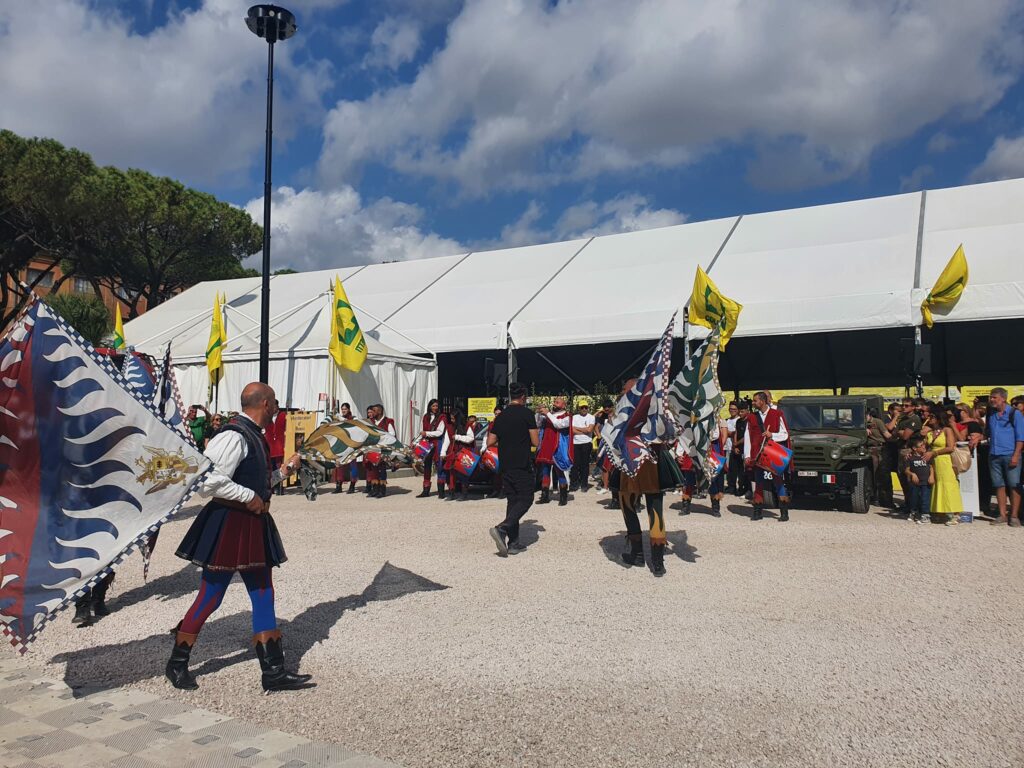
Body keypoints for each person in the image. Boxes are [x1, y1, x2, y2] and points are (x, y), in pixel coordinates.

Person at [167, 383, 312, 692]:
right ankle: (177, 663)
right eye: (273, 402)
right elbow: (206, 480)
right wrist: (248, 496)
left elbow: (257, 482)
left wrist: (284, 471)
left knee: (263, 593)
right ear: (262, 403)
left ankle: (273, 672)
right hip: (229, 525)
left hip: (253, 525)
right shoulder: (233, 436)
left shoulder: (254, 437)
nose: (276, 408)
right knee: (210, 597)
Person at [489, 384, 539, 556]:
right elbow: (535, 442)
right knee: (526, 498)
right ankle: (502, 528)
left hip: (505, 464)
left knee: (512, 500)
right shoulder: (527, 414)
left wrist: (506, 443)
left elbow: (490, 441)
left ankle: (514, 543)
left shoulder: (501, 416)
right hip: (522, 462)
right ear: (523, 396)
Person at [744, 391, 791, 521]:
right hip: (757, 454)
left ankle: (784, 513)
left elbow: (785, 434)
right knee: (758, 482)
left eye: (755, 401)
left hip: (772, 453)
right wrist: (747, 454)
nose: (753, 403)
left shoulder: (777, 414)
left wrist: (772, 435)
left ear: (763, 401)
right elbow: (748, 436)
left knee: (778, 482)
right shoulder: (752, 417)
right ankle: (757, 511)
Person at [986, 387, 1024, 526]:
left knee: (1014, 485)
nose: (991, 400)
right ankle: (1002, 515)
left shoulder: (1015, 414)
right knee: (998, 485)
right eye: (991, 397)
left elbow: (1021, 437)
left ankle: (1014, 516)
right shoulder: (992, 414)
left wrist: (1016, 455)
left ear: (1003, 398)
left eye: (994, 397)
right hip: (994, 454)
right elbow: (988, 433)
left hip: (1010, 454)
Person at [923, 405, 962, 525]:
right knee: (936, 486)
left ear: (939, 418)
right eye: (929, 416)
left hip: (945, 460)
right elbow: (925, 446)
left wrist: (935, 452)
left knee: (949, 485)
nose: (930, 418)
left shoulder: (947, 430)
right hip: (933, 462)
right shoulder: (930, 432)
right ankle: (940, 512)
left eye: (932, 416)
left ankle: (955, 514)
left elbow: (950, 447)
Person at [535, 396, 574, 506]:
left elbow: (559, 424)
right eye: (554, 402)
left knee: (559, 471)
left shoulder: (567, 416)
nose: (555, 403)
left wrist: (547, 413)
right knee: (545, 471)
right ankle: (545, 496)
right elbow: (538, 424)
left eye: (557, 402)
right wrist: (539, 412)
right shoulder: (549, 415)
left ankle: (563, 497)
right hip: (546, 446)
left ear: (563, 405)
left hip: (558, 447)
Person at [894, 397, 924, 515]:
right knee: (902, 477)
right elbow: (895, 432)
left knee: (909, 478)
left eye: (907, 405)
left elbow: (905, 435)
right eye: (903, 405)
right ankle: (908, 503)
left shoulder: (914, 419)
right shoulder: (903, 419)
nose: (904, 407)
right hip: (901, 449)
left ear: (913, 407)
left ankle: (914, 505)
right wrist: (899, 432)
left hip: (908, 450)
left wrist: (900, 432)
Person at [418, 399, 452, 498]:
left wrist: (427, 433)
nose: (435, 408)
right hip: (427, 443)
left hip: (437, 442)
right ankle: (426, 490)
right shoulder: (425, 417)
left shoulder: (442, 417)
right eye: (433, 406)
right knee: (427, 465)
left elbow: (440, 432)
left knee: (439, 466)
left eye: (437, 406)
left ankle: (441, 492)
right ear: (430, 407)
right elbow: (422, 430)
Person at [365, 404, 396, 498]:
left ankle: (382, 490)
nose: (372, 412)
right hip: (373, 448)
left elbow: (392, 434)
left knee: (381, 469)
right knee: (373, 468)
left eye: (374, 411)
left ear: (379, 411)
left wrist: (380, 435)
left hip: (383, 448)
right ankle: (375, 489)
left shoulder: (388, 421)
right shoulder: (371, 422)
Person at [446, 410, 477, 501]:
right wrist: (443, 452)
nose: (451, 420)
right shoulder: (451, 426)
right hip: (454, 452)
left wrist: (458, 437)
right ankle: (452, 492)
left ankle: (464, 493)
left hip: (464, 452)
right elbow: (447, 440)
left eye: (453, 418)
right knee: (452, 473)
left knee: (463, 472)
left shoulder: (467, 426)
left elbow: (471, 438)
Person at [904, 435, 934, 524]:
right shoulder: (910, 458)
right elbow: (906, 470)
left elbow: (931, 467)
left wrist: (932, 476)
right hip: (915, 483)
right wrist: (912, 474)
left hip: (926, 482)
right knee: (914, 498)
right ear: (914, 448)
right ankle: (914, 512)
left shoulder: (927, 457)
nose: (924, 447)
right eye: (921, 446)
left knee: (925, 499)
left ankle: (925, 516)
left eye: (924, 445)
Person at [866, 407, 893, 507]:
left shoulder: (877, 422)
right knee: (872, 475)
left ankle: (886, 500)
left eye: (866, 415)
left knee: (883, 475)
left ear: (869, 414)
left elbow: (887, 435)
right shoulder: (861, 423)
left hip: (880, 449)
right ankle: (874, 498)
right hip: (869, 450)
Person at [332, 403, 359, 494]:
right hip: (341, 444)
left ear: (349, 409)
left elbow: (352, 425)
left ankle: (352, 485)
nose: (343, 411)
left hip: (351, 444)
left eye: (345, 409)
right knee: (339, 465)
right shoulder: (338, 419)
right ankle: (339, 485)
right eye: (342, 409)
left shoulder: (354, 418)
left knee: (352, 465)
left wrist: (341, 419)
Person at [570, 402, 596, 493]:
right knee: (575, 464)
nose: (584, 409)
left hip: (586, 442)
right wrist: (584, 430)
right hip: (575, 443)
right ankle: (574, 484)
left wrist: (578, 428)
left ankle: (584, 484)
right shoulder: (574, 417)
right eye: (582, 407)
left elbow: (590, 430)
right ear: (579, 408)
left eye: (586, 407)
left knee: (585, 465)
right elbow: (572, 430)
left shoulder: (591, 417)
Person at [266, 402, 287, 497]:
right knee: (270, 468)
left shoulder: (284, 416)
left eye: (274, 406)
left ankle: (279, 487)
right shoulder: (266, 417)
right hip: (269, 446)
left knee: (279, 468)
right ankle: (271, 487)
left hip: (280, 445)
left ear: (277, 406)